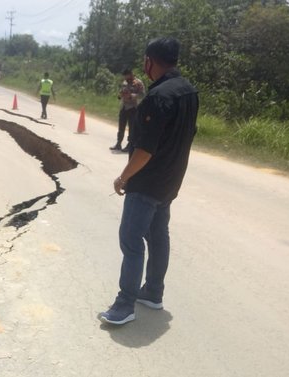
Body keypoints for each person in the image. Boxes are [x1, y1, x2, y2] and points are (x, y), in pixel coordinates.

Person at [100, 37, 199, 325]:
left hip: (147, 183)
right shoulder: (189, 91)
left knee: (131, 240)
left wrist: (123, 177)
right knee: (157, 237)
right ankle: (153, 292)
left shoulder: (158, 97)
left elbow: (145, 150)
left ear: (149, 62)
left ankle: (125, 304)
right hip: (170, 181)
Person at [110, 68, 145, 153]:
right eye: (124, 76)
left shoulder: (138, 83)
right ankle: (118, 143)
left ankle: (130, 145)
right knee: (121, 126)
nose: (125, 77)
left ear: (131, 74)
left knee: (131, 127)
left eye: (126, 75)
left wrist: (132, 96)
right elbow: (122, 91)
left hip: (132, 107)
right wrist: (120, 95)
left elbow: (142, 94)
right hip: (124, 107)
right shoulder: (125, 82)